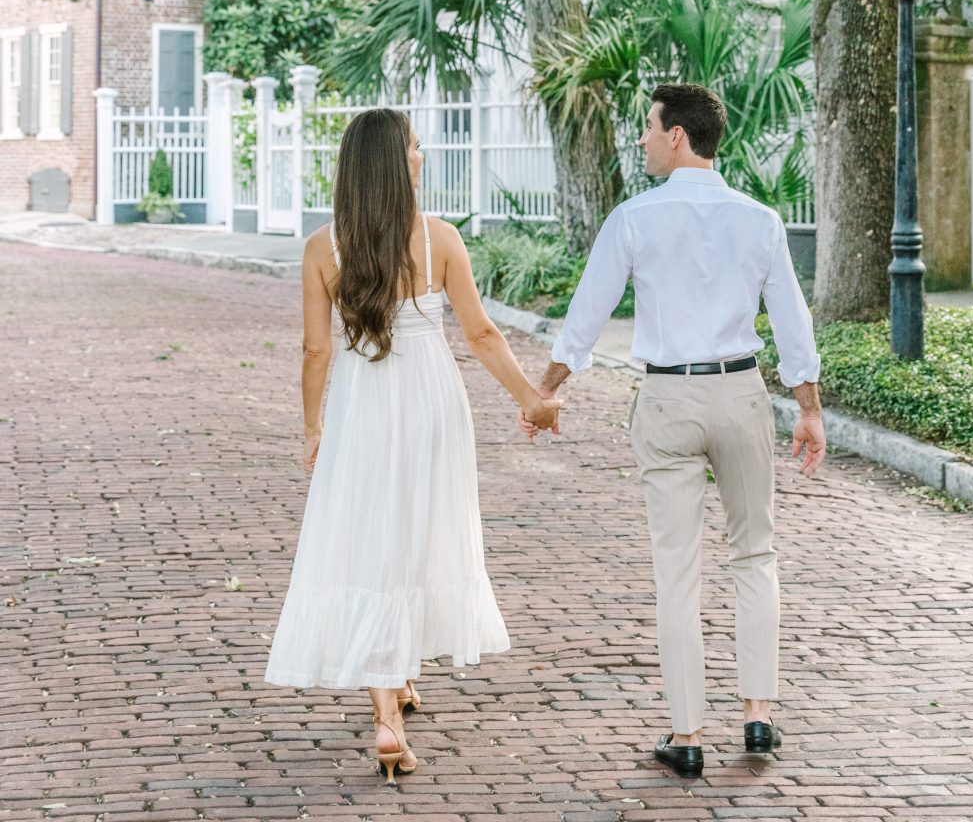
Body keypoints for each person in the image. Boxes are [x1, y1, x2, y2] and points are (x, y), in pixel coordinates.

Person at [522, 82, 824, 775]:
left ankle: (686, 736)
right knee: (754, 553)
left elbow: (587, 316)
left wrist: (545, 392)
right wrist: (806, 408)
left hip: (666, 399)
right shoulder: (760, 219)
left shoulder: (634, 218)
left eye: (649, 129)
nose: (642, 139)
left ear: (677, 136)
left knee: (676, 570)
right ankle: (756, 718)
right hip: (741, 391)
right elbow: (791, 324)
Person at [265, 108, 560, 786]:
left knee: (371, 535)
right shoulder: (437, 240)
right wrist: (531, 401)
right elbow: (481, 334)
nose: (423, 156)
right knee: (419, 530)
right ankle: (391, 705)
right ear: (396, 165)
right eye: (415, 148)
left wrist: (312, 426)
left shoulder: (321, 248)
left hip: (361, 401)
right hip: (429, 400)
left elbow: (315, 350)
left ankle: (387, 698)